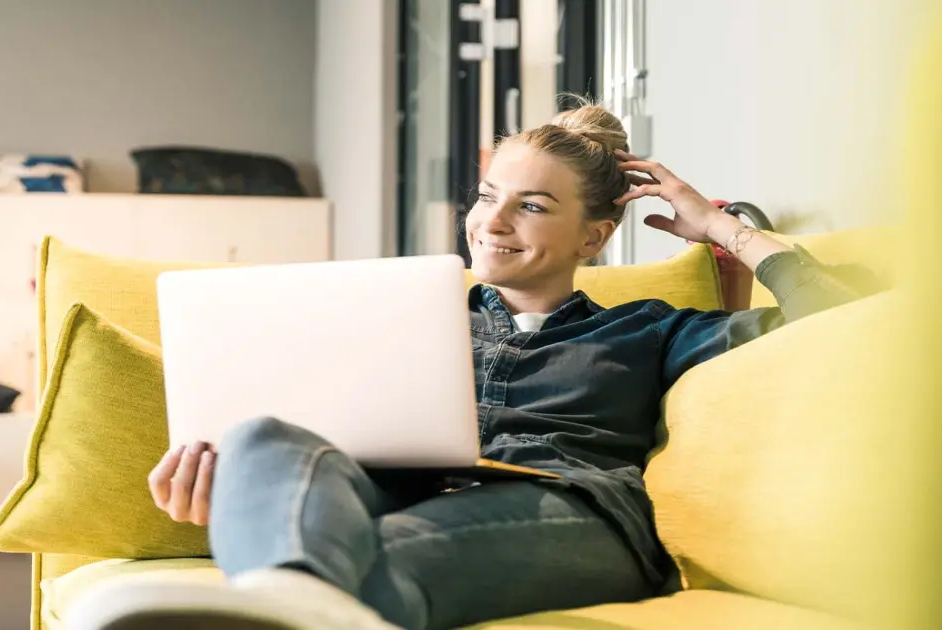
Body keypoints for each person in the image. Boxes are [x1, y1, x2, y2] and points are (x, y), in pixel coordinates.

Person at [68, 102, 868, 630]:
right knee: (263, 435)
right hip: (395, 496)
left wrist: (724, 229)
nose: (493, 222)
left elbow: (841, 321)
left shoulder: (651, 329)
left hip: (574, 512)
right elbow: (321, 441)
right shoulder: (402, 311)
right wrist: (237, 484)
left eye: (533, 205)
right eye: (490, 195)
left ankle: (285, 588)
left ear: (593, 238)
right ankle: (287, 579)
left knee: (356, 574)